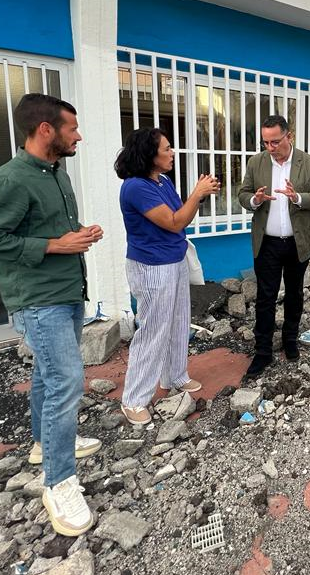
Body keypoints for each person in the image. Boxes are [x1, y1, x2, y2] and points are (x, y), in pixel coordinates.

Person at [0, 93, 103, 536]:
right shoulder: (13, 178)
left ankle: (45, 444)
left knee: (47, 374)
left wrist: (78, 235)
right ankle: (59, 483)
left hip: (65, 292)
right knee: (66, 379)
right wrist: (58, 245)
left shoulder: (56, 174)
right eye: (72, 128)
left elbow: (44, 230)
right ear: (46, 129)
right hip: (38, 300)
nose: (78, 135)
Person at [115, 128, 220, 424]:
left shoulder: (162, 181)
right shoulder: (135, 187)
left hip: (174, 260)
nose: (173, 152)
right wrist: (196, 193)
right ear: (150, 155)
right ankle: (134, 398)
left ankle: (175, 375)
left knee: (177, 321)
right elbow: (174, 222)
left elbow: (183, 216)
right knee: (152, 329)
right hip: (151, 266)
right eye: (167, 148)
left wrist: (197, 199)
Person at [238, 115, 310, 378]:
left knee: (294, 294)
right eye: (265, 142)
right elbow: (242, 194)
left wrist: (297, 197)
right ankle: (262, 352)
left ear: (289, 136)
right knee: (265, 298)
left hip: (297, 243)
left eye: (275, 141)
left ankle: (290, 341)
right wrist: (253, 200)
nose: (270, 147)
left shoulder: (308, 163)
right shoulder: (256, 162)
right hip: (267, 244)